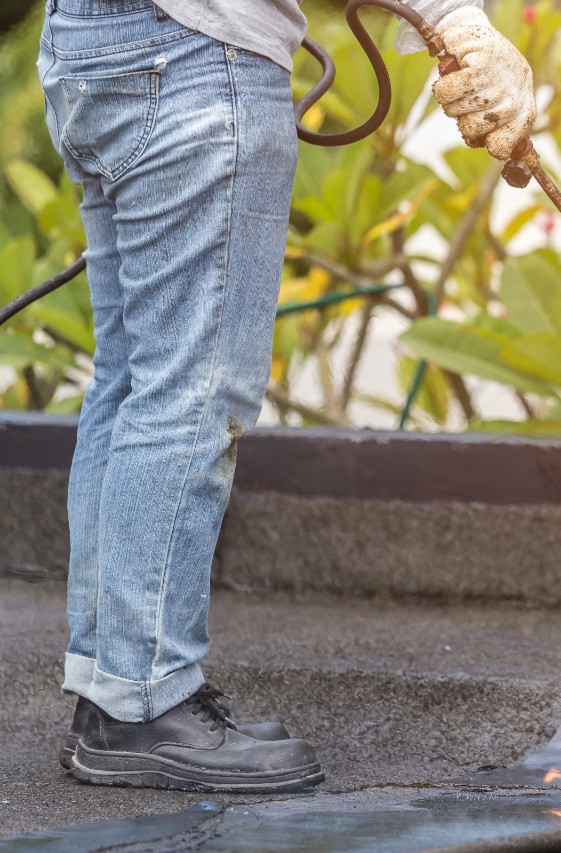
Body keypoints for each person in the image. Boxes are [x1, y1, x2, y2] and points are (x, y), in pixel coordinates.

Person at [36, 0, 535, 792]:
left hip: (92, 41)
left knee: (133, 377)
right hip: (196, 53)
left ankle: (112, 693)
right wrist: (457, 21)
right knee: (194, 392)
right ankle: (143, 701)